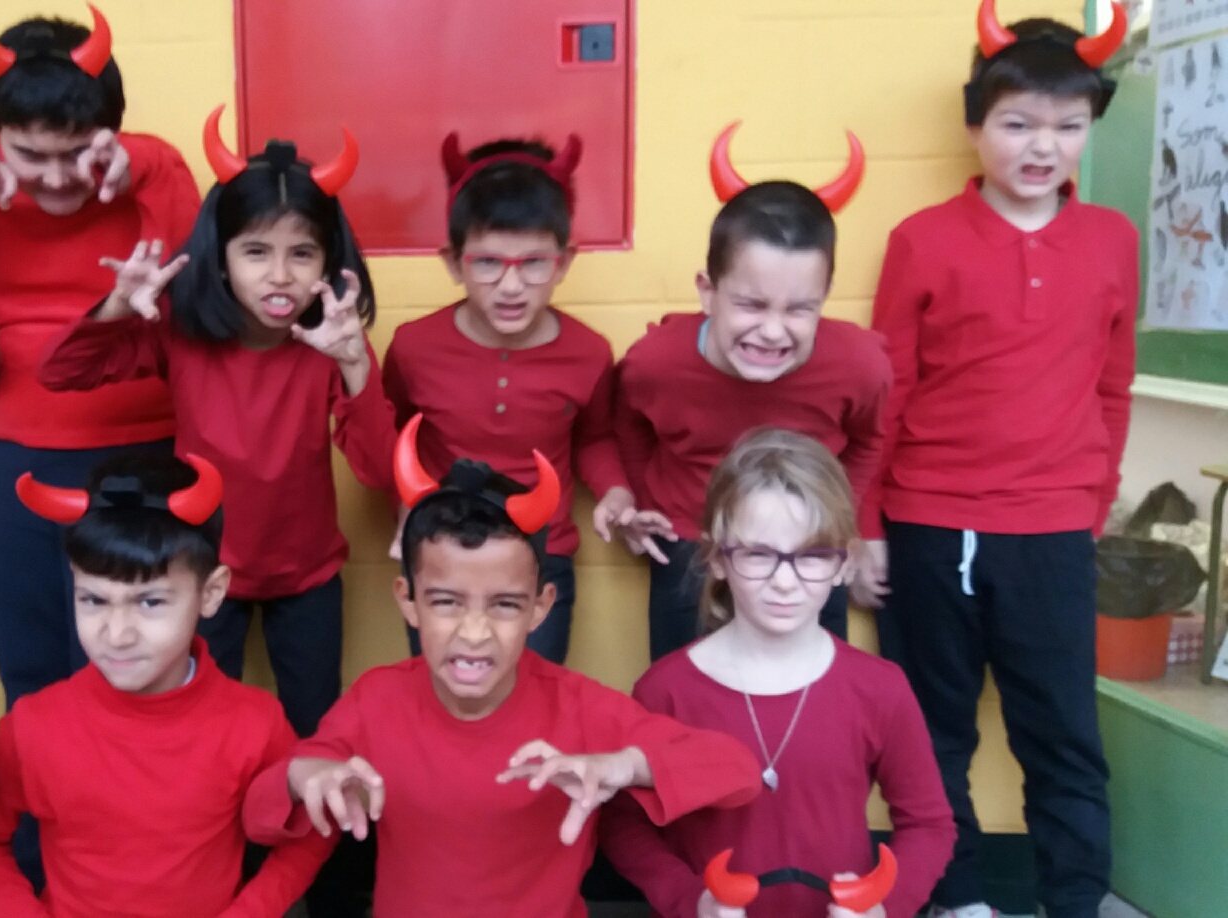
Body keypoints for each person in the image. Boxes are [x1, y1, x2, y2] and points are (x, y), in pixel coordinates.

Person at [239, 416, 763, 918]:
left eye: (505, 605)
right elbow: (258, 814)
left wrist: (624, 766)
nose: (474, 632)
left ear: (540, 607)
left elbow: (738, 773)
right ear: (408, 601)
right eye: (446, 602)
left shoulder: (579, 706)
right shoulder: (376, 700)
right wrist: (300, 776)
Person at [863, 4, 1136, 917]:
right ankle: (959, 897)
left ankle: (1075, 900)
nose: (1042, 146)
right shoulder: (921, 239)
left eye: (1068, 125)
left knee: (1063, 737)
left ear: (1089, 127)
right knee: (931, 733)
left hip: (1052, 533)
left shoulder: (1113, 241)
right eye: (1018, 123)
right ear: (976, 125)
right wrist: (867, 526)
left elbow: (1114, 387)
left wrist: (1089, 508)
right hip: (929, 526)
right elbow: (888, 393)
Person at [0, 6, 201, 710]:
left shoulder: (146, 167)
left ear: (109, 134)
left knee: (144, 666)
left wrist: (145, 165)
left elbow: (194, 272)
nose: (55, 178)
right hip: (23, 454)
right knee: (32, 664)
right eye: (31, 155)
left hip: (147, 454)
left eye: (76, 152)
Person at [39, 106, 396, 739]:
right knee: (202, 723)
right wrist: (118, 306)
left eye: (302, 254)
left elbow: (377, 469)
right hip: (202, 571)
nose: (280, 275)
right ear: (222, 256)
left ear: (328, 261)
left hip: (307, 575)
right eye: (256, 251)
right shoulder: (180, 327)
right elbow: (61, 373)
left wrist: (355, 367)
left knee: (313, 725)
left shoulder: (332, 342)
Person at [0, 452, 331, 917]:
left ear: (211, 593)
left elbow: (313, 829)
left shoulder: (255, 722)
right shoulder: (33, 726)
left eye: (150, 602)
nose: (117, 634)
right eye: (93, 600)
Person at [600, 429, 954, 918]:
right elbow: (624, 824)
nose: (784, 581)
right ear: (717, 558)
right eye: (758, 554)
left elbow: (929, 824)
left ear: (845, 564)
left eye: (812, 555)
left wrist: (885, 907)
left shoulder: (880, 688)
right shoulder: (666, 690)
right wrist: (688, 900)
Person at [615, 122, 887, 660]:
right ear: (708, 291)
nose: (772, 331)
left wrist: (841, 519)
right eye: (751, 305)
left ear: (825, 297)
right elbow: (627, 423)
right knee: (683, 692)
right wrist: (646, 503)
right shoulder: (655, 362)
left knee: (814, 690)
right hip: (690, 549)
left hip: (807, 549)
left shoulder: (861, 365)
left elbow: (869, 440)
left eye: (799, 309)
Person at [383, 133, 652, 663]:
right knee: (442, 695)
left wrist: (617, 494)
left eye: (533, 263)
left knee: (535, 695)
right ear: (454, 263)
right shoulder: (414, 347)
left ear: (564, 262)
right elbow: (391, 440)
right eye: (488, 263)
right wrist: (406, 513)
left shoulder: (589, 352)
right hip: (441, 554)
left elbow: (595, 438)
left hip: (542, 554)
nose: (511, 286)